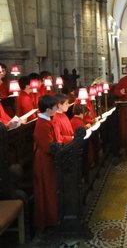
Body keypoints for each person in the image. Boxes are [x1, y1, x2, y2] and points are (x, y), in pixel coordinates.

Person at [33, 94, 58, 230]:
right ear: (48, 109)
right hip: (44, 161)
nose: (56, 109)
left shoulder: (47, 119)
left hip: (48, 159)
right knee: (47, 189)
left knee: (51, 188)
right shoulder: (42, 124)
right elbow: (48, 146)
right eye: (55, 107)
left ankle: (53, 217)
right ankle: (49, 219)